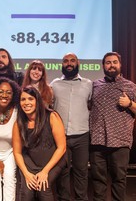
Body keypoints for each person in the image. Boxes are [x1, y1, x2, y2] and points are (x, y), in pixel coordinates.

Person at [89, 52, 136, 201]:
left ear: (120, 65)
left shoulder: (130, 86)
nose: (111, 65)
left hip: (120, 141)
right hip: (98, 140)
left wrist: (129, 104)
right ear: (103, 65)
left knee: (119, 181)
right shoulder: (95, 85)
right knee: (98, 182)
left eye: (114, 62)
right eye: (108, 63)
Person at [50, 53, 92, 201]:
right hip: (61, 137)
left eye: (72, 61)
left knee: (81, 172)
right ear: (62, 64)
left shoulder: (88, 84)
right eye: (66, 61)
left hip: (82, 135)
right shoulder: (54, 84)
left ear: (78, 63)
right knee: (63, 173)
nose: (69, 63)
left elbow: (92, 106)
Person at [12, 86, 66, 200]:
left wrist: (45, 171)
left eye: (30, 99)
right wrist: (26, 174)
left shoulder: (52, 116)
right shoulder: (18, 123)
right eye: (23, 99)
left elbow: (61, 148)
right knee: (27, 192)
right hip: (30, 163)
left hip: (52, 161)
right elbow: (17, 153)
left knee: (43, 187)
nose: (26, 103)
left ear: (37, 100)